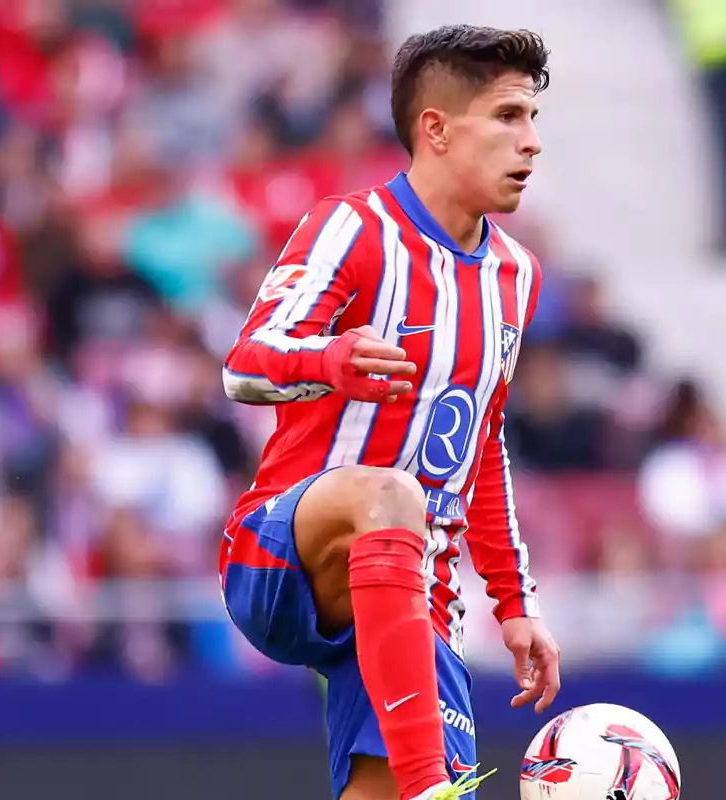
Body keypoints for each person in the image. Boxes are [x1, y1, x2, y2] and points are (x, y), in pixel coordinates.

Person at [217, 25, 562, 800]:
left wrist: (513, 603)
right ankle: (427, 785)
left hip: (410, 598)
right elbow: (245, 365)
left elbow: (483, 445)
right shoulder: (355, 228)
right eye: (509, 117)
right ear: (435, 129)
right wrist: (328, 359)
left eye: (534, 119)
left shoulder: (515, 275)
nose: (532, 143)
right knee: (389, 493)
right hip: (285, 556)